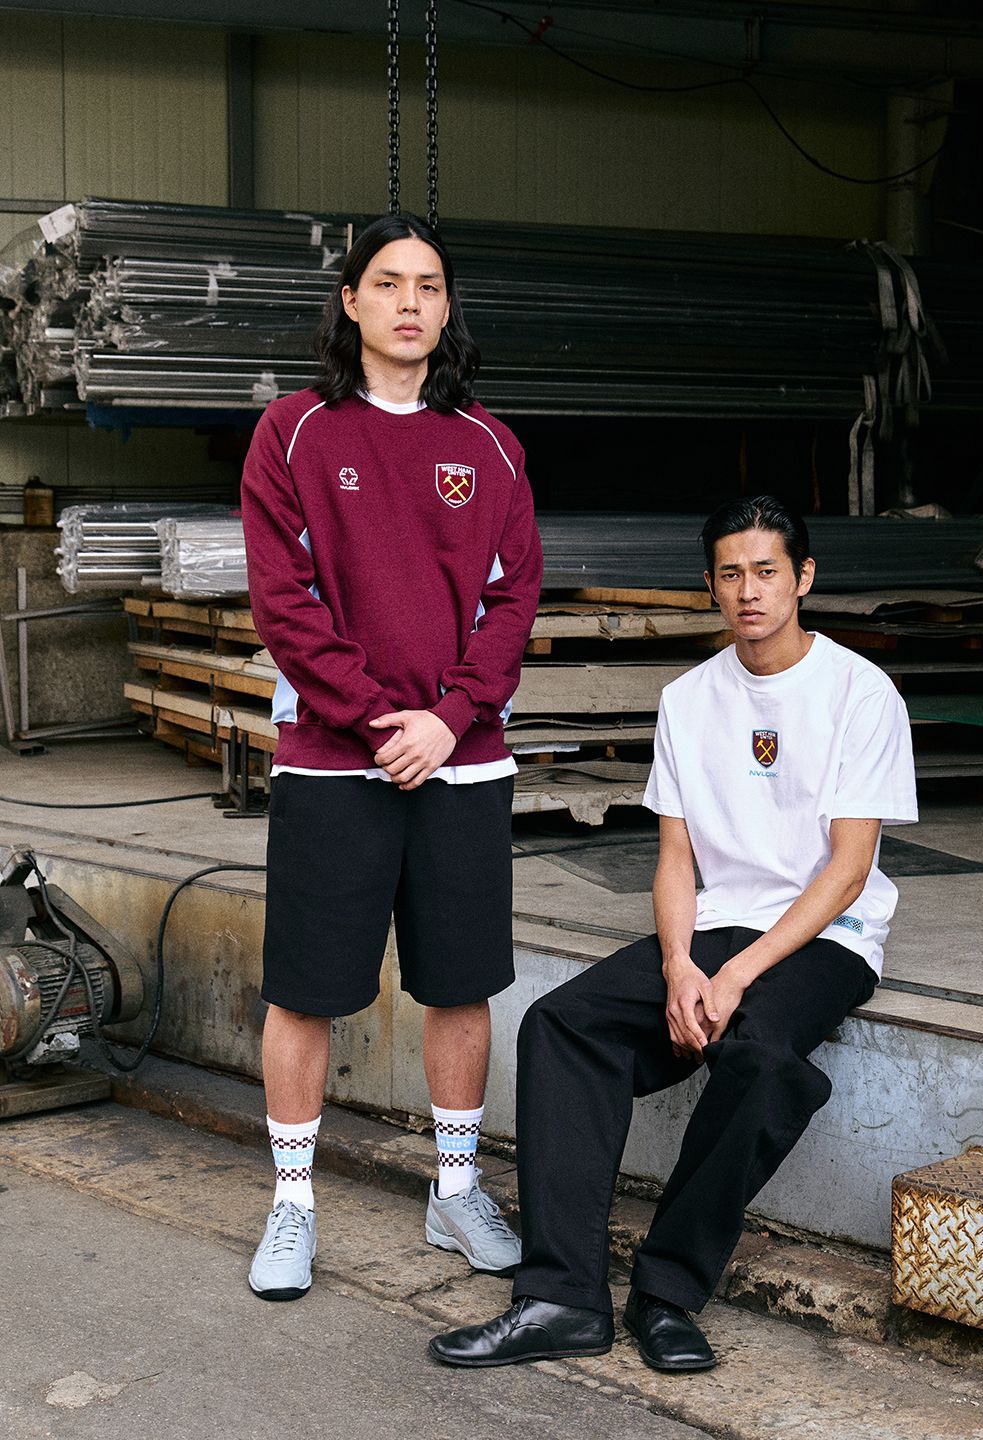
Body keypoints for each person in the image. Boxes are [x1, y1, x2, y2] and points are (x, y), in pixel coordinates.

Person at [430, 494, 917, 1371]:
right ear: (710, 586)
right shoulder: (689, 699)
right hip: (716, 928)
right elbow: (675, 862)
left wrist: (735, 978)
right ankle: (561, 1298)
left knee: (761, 1057)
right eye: (731, 574)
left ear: (803, 577)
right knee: (562, 1024)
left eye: (767, 571)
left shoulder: (859, 692)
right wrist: (681, 965)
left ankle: (665, 1293)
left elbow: (848, 871)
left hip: (828, 937)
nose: (749, 591)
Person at [241, 213, 543, 1301]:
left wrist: (450, 720)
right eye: (387, 282)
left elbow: (514, 600)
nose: (410, 302)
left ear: (447, 307)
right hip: (335, 762)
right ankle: (292, 1205)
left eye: (428, 285)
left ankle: (455, 1189)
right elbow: (283, 603)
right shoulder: (293, 432)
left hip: (462, 762)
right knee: (306, 991)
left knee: (460, 986)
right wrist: (380, 722)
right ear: (351, 301)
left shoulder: (491, 446)